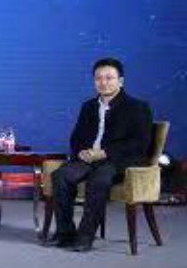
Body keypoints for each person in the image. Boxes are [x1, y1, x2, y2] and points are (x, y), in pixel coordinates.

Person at [47, 58, 153, 252]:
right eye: (98, 78)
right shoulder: (88, 106)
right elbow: (76, 137)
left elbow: (139, 143)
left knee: (99, 178)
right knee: (60, 175)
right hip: (89, 159)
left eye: (109, 78)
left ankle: (85, 236)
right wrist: (82, 151)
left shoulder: (138, 107)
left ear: (121, 81)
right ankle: (65, 233)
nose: (103, 82)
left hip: (118, 161)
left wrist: (104, 153)